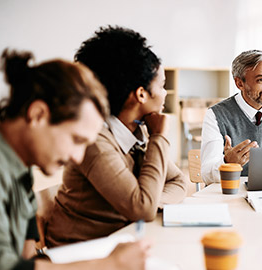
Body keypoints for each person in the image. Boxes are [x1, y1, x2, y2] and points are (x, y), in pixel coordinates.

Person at [0, 49, 150, 270]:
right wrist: (110, 265)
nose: (77, 157)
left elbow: (27, 258)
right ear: (38, 114)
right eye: (76, 139)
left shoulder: (20, 167)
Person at [45, 26, 187, 247]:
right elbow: (142, 208)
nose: (165, 93)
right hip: (79, 254)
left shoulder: (136, 133)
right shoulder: (95, 143)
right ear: (141, 94)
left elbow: (178, 181)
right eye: (162, 85)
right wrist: (158, 137)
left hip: (119, 243)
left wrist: (153, 201)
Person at [201, 50, 262, 185]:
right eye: (261, 80)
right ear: (239, 83)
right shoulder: (216, 115)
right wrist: (228, 163)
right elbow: (207, 174)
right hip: (230, 196)